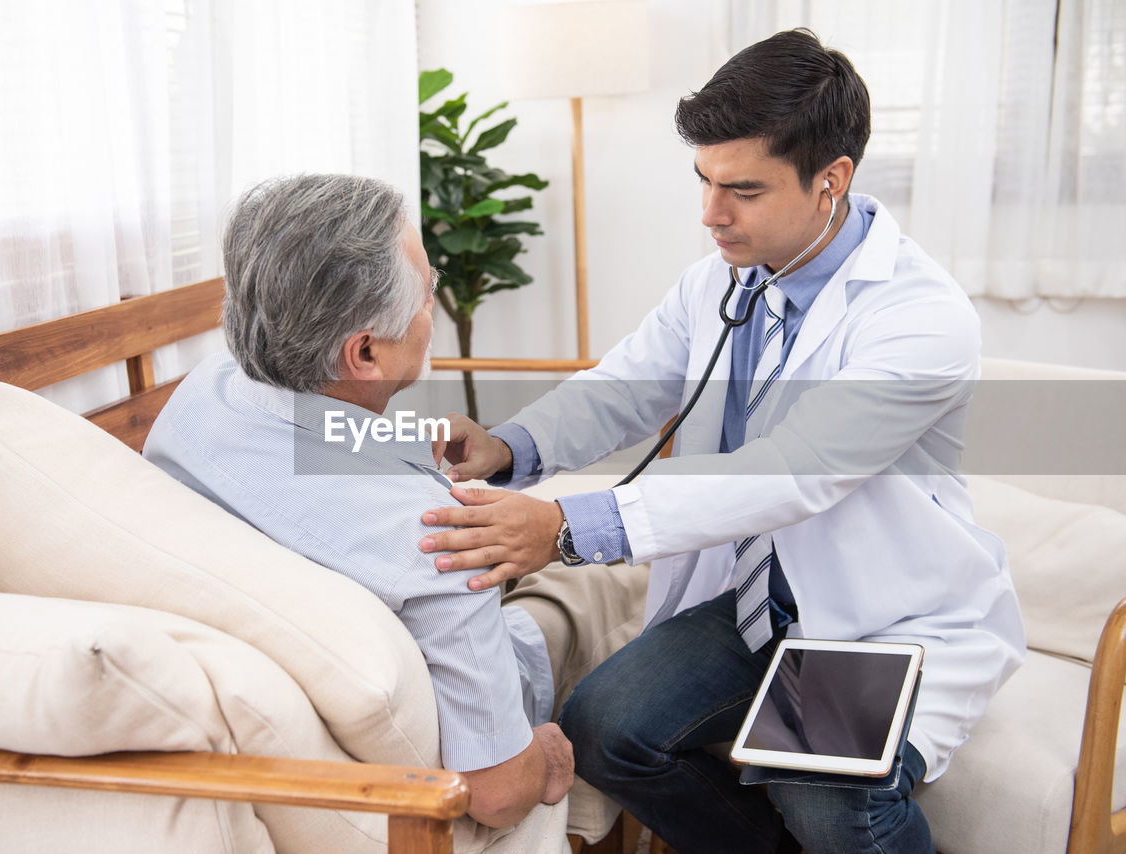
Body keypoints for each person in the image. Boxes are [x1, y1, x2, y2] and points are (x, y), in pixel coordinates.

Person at [418, 29, 1026, 854]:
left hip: (871, 618)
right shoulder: (720, 280)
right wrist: (507, 446)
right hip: (748, 604)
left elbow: (788, 474)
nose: (710, 213)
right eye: (703, 181)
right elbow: (627, 383)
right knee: (604, 728)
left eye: (742, 189)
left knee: (823, 792)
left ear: (831, 183)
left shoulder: (919, 318)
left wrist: (563, 528)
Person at [141, 173, 647, 832]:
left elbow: (300, 449)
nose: (432, 306)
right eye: (429, 294)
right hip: (488, 670)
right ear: (367, 351)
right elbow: (496, 794)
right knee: (621, 584)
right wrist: (545, 755)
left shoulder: (207, 391)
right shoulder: (438, 535)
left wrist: (408, 445)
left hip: (338, 626)